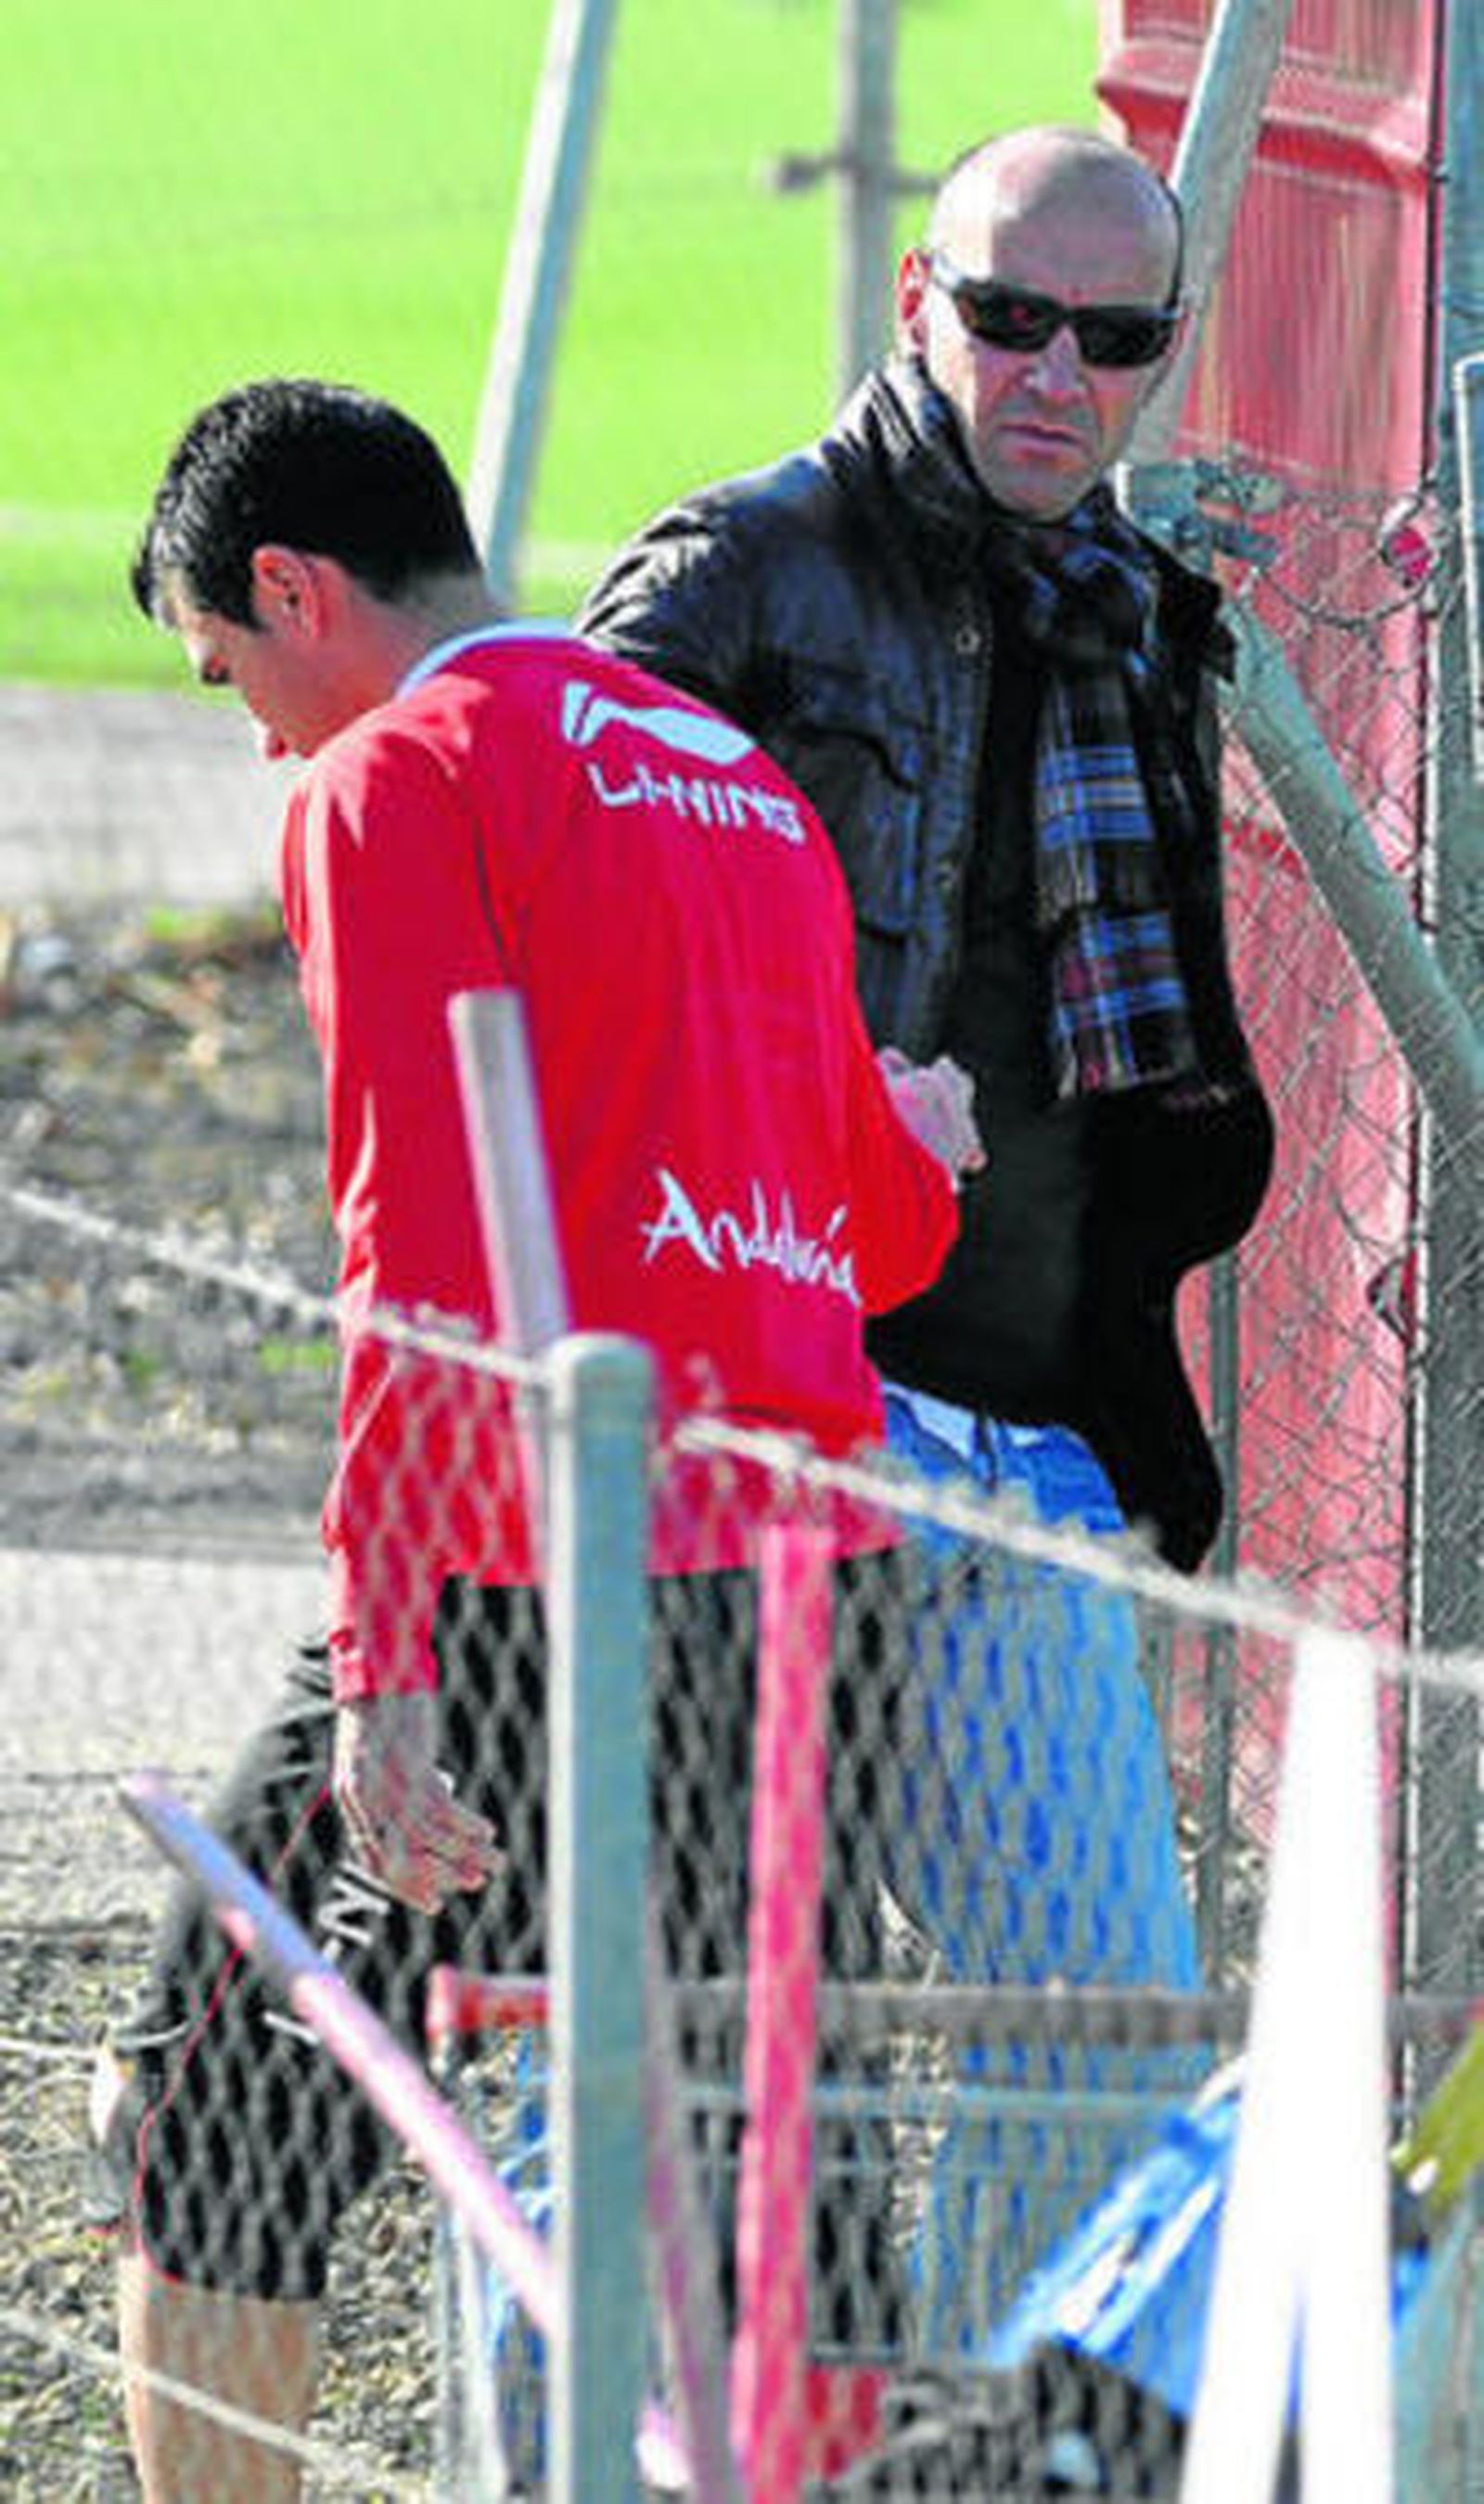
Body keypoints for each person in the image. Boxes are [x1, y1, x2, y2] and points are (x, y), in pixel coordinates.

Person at [97, 377, 978, 2500]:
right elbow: (872, 1225)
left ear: (296, 589)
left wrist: (389, 1666)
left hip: (522, 1577)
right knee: (748, 2174)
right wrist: (926, 1138)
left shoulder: (394, 778)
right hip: (795, 1573)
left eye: (233, 676)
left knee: (213, 2113)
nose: (257, 741)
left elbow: (418, 1247)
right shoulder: (732, 778)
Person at [579, 123, 1275, 2340]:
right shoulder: (743, 573)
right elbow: (552, 930)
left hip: (1031, 1442)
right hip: (781, 1420)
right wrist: (799, 1099)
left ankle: (961, 2464)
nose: (1053, 371)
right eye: (1004, 317)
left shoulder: (1141, 618)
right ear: (914, 301)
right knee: (697, 2046)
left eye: (1114, 335)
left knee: (1102, 2035)